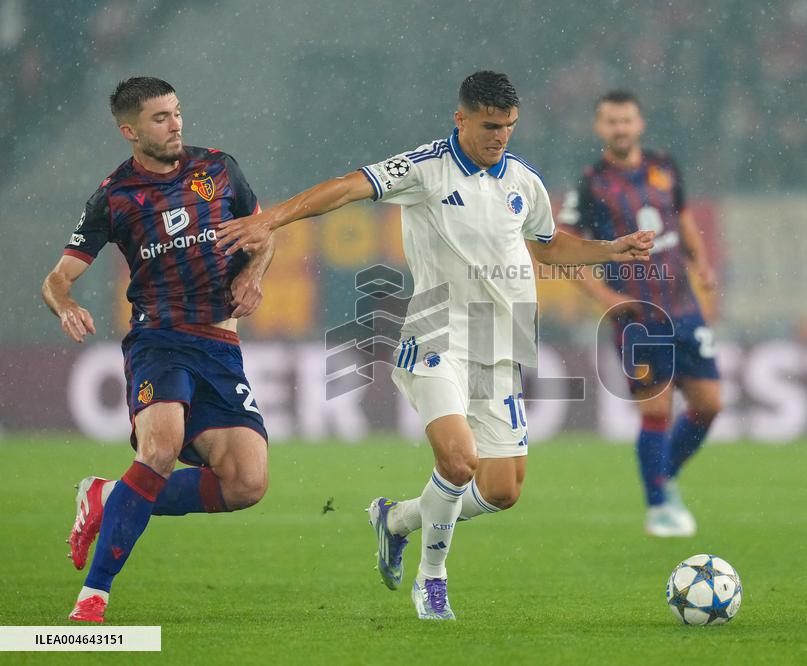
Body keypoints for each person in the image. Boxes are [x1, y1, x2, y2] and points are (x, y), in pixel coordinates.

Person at [215, 71, 653, 620]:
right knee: (459, 460)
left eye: (509, 126)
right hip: (437, 332)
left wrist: (610, 249)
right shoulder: (425, 168)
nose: (500, 136)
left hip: (502, 341)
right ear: (461, 119)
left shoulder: (523, 180)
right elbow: (348, 187)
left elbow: (547, 246)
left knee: (503, 490)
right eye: (490, 126)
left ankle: (396, 519)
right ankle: (433, 579)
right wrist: (273, 219)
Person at [41, 77, 274, 623]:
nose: (176, 125)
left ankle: (106, 496)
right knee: (160, 450)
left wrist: (253, 275)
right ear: (130, 131)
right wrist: (65, 304)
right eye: (160, 118)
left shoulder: (218, 168)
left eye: (177, 112)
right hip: (160, 341)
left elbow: (265, 230)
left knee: (246, 483)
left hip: (220, 346)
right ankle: (93, 597)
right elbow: (57, 278)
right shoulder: (115, 196)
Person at [559, 90, 722, 537]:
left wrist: (701, 263)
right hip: (638, 315)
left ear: (640, 123)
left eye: (626, 120)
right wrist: (604, 297)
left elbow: (682, 219)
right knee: (656, 412)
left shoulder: (665, 167)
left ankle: (661, 476)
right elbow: (563, 248)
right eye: (612, 121)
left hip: (683, 307)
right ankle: (659, 508)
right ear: (599, 127)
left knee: (710, 404)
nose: (620, 128)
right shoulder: (591, 183)